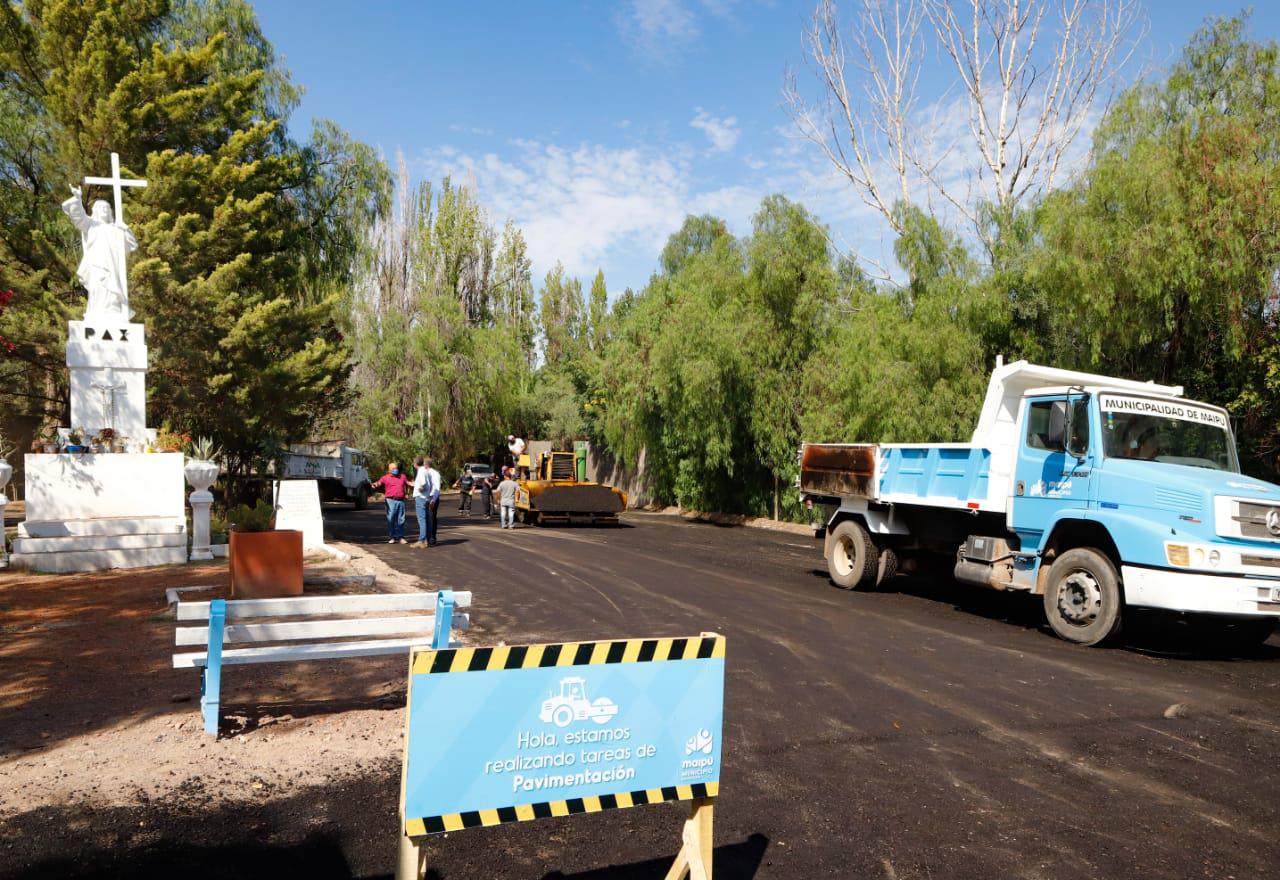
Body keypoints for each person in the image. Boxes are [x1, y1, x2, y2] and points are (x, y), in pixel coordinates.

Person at [370, 462, 412, 544]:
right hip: (390, 501)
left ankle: (401, 537)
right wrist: (374, 485)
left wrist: (407, 493)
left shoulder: (402, 476)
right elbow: (379, 483)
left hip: (401, 500)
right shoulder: (385, 478)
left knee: (401, 519)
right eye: (393, 469)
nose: (395, 470)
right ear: (389, 470)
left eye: (396, 468)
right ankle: (392, 537)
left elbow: (408, 484)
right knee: (391, 519)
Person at [412, 456, 432, 547]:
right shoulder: (426, 470)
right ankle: (427, 540)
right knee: (427, 519)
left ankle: (421, 540)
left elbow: (423, 483)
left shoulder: (420, 471)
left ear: (415, 464)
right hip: (427, 497)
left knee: (422, 519)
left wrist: (420, 489)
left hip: (421, 498)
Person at [425, 457, 443, 546]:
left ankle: (432, 538)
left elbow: (437, 488)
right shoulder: (424, 473)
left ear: (426, 464)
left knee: (432, 518)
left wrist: (433, 500)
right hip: (425, 498)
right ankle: (426, 537)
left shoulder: (435, 474)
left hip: (432, 498)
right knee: (425, 518)